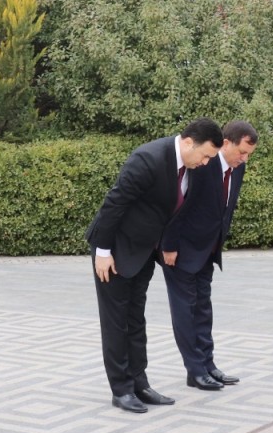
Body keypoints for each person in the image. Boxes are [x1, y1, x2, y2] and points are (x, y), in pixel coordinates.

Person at [86, 118, 224, 413]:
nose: (206, 163)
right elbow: (115, 203)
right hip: (116, 251)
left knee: (136, 319)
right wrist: (102, 251)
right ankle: (121, 389)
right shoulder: (148, 158)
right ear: (189, 142)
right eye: (205, 156)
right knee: (115, 321)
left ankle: (140, 383)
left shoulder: (191, 168)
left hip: (145, 252)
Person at [159, 120, 258, 391]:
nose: (244, 159)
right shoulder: (202, 163)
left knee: (203, 308)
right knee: (185, 310)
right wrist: (168, 245)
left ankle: (208, 364)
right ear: (227, 143)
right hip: (180, 250)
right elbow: (177, 203)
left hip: (207, 250)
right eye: (242, 152)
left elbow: (224, 209)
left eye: (249, 154)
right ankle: (195, 370)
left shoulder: (238, 168)